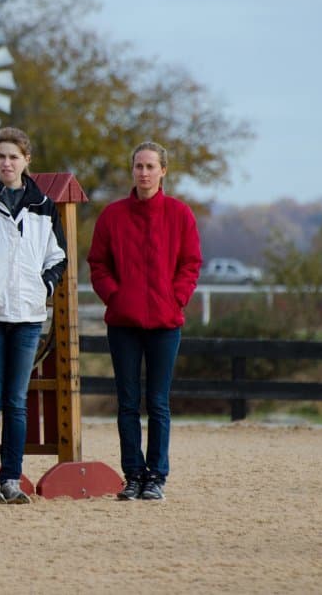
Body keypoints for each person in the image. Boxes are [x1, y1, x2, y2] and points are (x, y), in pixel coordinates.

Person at [0, 127, 67, 505]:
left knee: (17, 402)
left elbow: (58, 257)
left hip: (28, 315)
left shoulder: (44, 206)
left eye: (13, 157)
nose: (7, 163)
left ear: (26, 161)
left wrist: (45, 286)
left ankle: (11, 481)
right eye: (1, 156)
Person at [87, 141, 202, 502]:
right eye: (138, 166)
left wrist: (176, 297)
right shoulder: (113, 215)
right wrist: (116, 296)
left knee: (158, 403)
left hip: (166, 324)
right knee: (127, 403)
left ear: (163, 171)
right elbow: (98, 263)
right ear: (132, 170)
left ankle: (157, 476)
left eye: (151, 166)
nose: (144, 172)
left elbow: (191, 263)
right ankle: (133, 475)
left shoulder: (180, 214)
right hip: (124, 323)